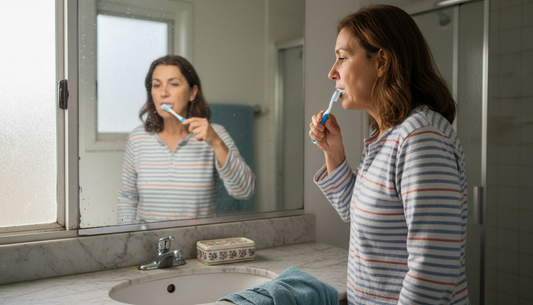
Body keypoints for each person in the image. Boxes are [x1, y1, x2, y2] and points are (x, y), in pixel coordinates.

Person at [309, 5, 468, 304]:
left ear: (381, 61)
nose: (332, 72)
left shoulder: (421, 138)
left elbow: (433, 269)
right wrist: (334, 153)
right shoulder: (388, 136)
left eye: (342, 57)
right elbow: (355, 213)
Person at [117, 55, 255, 224]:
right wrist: (128, 241)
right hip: (148, 243)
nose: (163, 93)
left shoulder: (215, 134)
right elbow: (127, 198)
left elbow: (245, 191)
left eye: (173, 84)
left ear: (192, 92)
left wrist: (216, 143)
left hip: (198, 243)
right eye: (156, 85)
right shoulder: (138, 138)